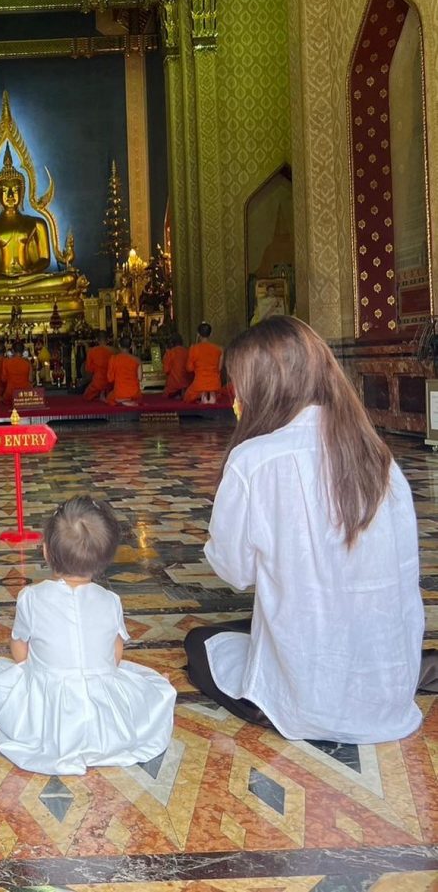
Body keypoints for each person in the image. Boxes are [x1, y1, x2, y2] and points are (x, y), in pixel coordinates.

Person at [184, 316, 424, 743]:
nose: (235, 397)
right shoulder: (378, 458)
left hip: (306, 701)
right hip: (390, 688)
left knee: (201, 643)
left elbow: (236, 573)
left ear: (264, 387)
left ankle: (281, 696)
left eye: (239, 385)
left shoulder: (253, 460)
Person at [0, 497, 176, 775]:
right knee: (144, 688)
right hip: (105, 719)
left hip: (49, 716)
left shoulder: (31, 597)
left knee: (2, 677)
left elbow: (19, 647)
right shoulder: (110, 601)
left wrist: (31, 671)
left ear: (46, 551)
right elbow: (116, 655)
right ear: (105, 559)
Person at [184, 322, 223, 404]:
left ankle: (200, 396)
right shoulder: (219, 349)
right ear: (211, 334)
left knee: (187, 397)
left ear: (198, 334)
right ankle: (211, 395)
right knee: (218, 393)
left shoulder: (193, 349)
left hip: (199, 385)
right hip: (215, 385)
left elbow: (189, 369)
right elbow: (219, 369)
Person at [106, 335, 142, 406]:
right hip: (135, 393)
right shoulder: (137, 360)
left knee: (109, 398)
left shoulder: (114, 359)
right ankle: (127, 400)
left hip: (120, 392)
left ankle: (122, 401)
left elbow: (110, 379)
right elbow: (140, 378)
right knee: (136, 396)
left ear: (119, 345)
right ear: (131, 346)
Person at [82, 331, 114, 401]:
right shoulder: (114, 351)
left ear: (97, 340)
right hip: (111, 383)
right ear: (108, 340)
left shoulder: (92, 351)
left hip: (97, 383)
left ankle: (100, 394)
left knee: (86, 397)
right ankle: (103, 394)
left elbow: (89, 370)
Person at [162, 333, 189, 400]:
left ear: (171, 343)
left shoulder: (170, 353)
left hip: (173, 386)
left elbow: (166, 370)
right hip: (187, 386)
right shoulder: (188, 352)